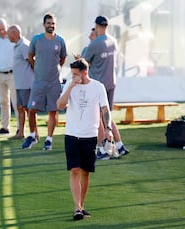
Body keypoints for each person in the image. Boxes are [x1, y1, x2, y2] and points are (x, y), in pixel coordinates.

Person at [57, 58, 113, 220]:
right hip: (72, 134)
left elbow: (105, 110)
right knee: (75, 170)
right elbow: (60, 105)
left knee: (85, 172)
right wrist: (71, 86)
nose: (73, 76)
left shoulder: (98, 87)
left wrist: (108, 128)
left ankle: (81, 206)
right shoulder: (69, 84)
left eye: (76, 74)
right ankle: (77, 208)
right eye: (72, 73)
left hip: (90, 135)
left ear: (85, 73)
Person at [84, 16, 130, 159]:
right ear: (107, 26)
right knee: (107, 117)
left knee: (97, 118)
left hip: (99, 85)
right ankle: (119, 145)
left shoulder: (94, 44)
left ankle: (103, 150)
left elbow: (84, 64)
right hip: (111, 83)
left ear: (97, 26)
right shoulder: (113, 41)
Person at [22, 13, 67, 150]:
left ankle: (49, 140)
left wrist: (54, 69)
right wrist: (37, 68)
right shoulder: (36, 39)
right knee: (31, 109)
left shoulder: (60, 41)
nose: (51, 26)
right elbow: (30, 56)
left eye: (53, 23)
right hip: (39, 82)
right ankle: (32, 136)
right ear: (44, 24)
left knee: (53, 111)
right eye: (48, 23)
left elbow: (62, 58)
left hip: (54, 82)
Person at [7, 24, 37, 139]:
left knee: (29, 109)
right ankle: (20, 133)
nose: (8, 37)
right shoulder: (17, 46)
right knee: (20, 108)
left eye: (9, 35)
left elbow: (32, 60)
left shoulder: (24, 45)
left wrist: (36, 75)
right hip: (19, 84)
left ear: (15, 33)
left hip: (27, 83)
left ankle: (34, 133)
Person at [0, 18, 19, 136]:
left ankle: (20, 127)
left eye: (3, 29)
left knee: (16, 102)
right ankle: (4, 127)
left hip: (13, 74)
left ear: (7, 26)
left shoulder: (13, 39)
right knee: (3, 102)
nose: (2, 32)